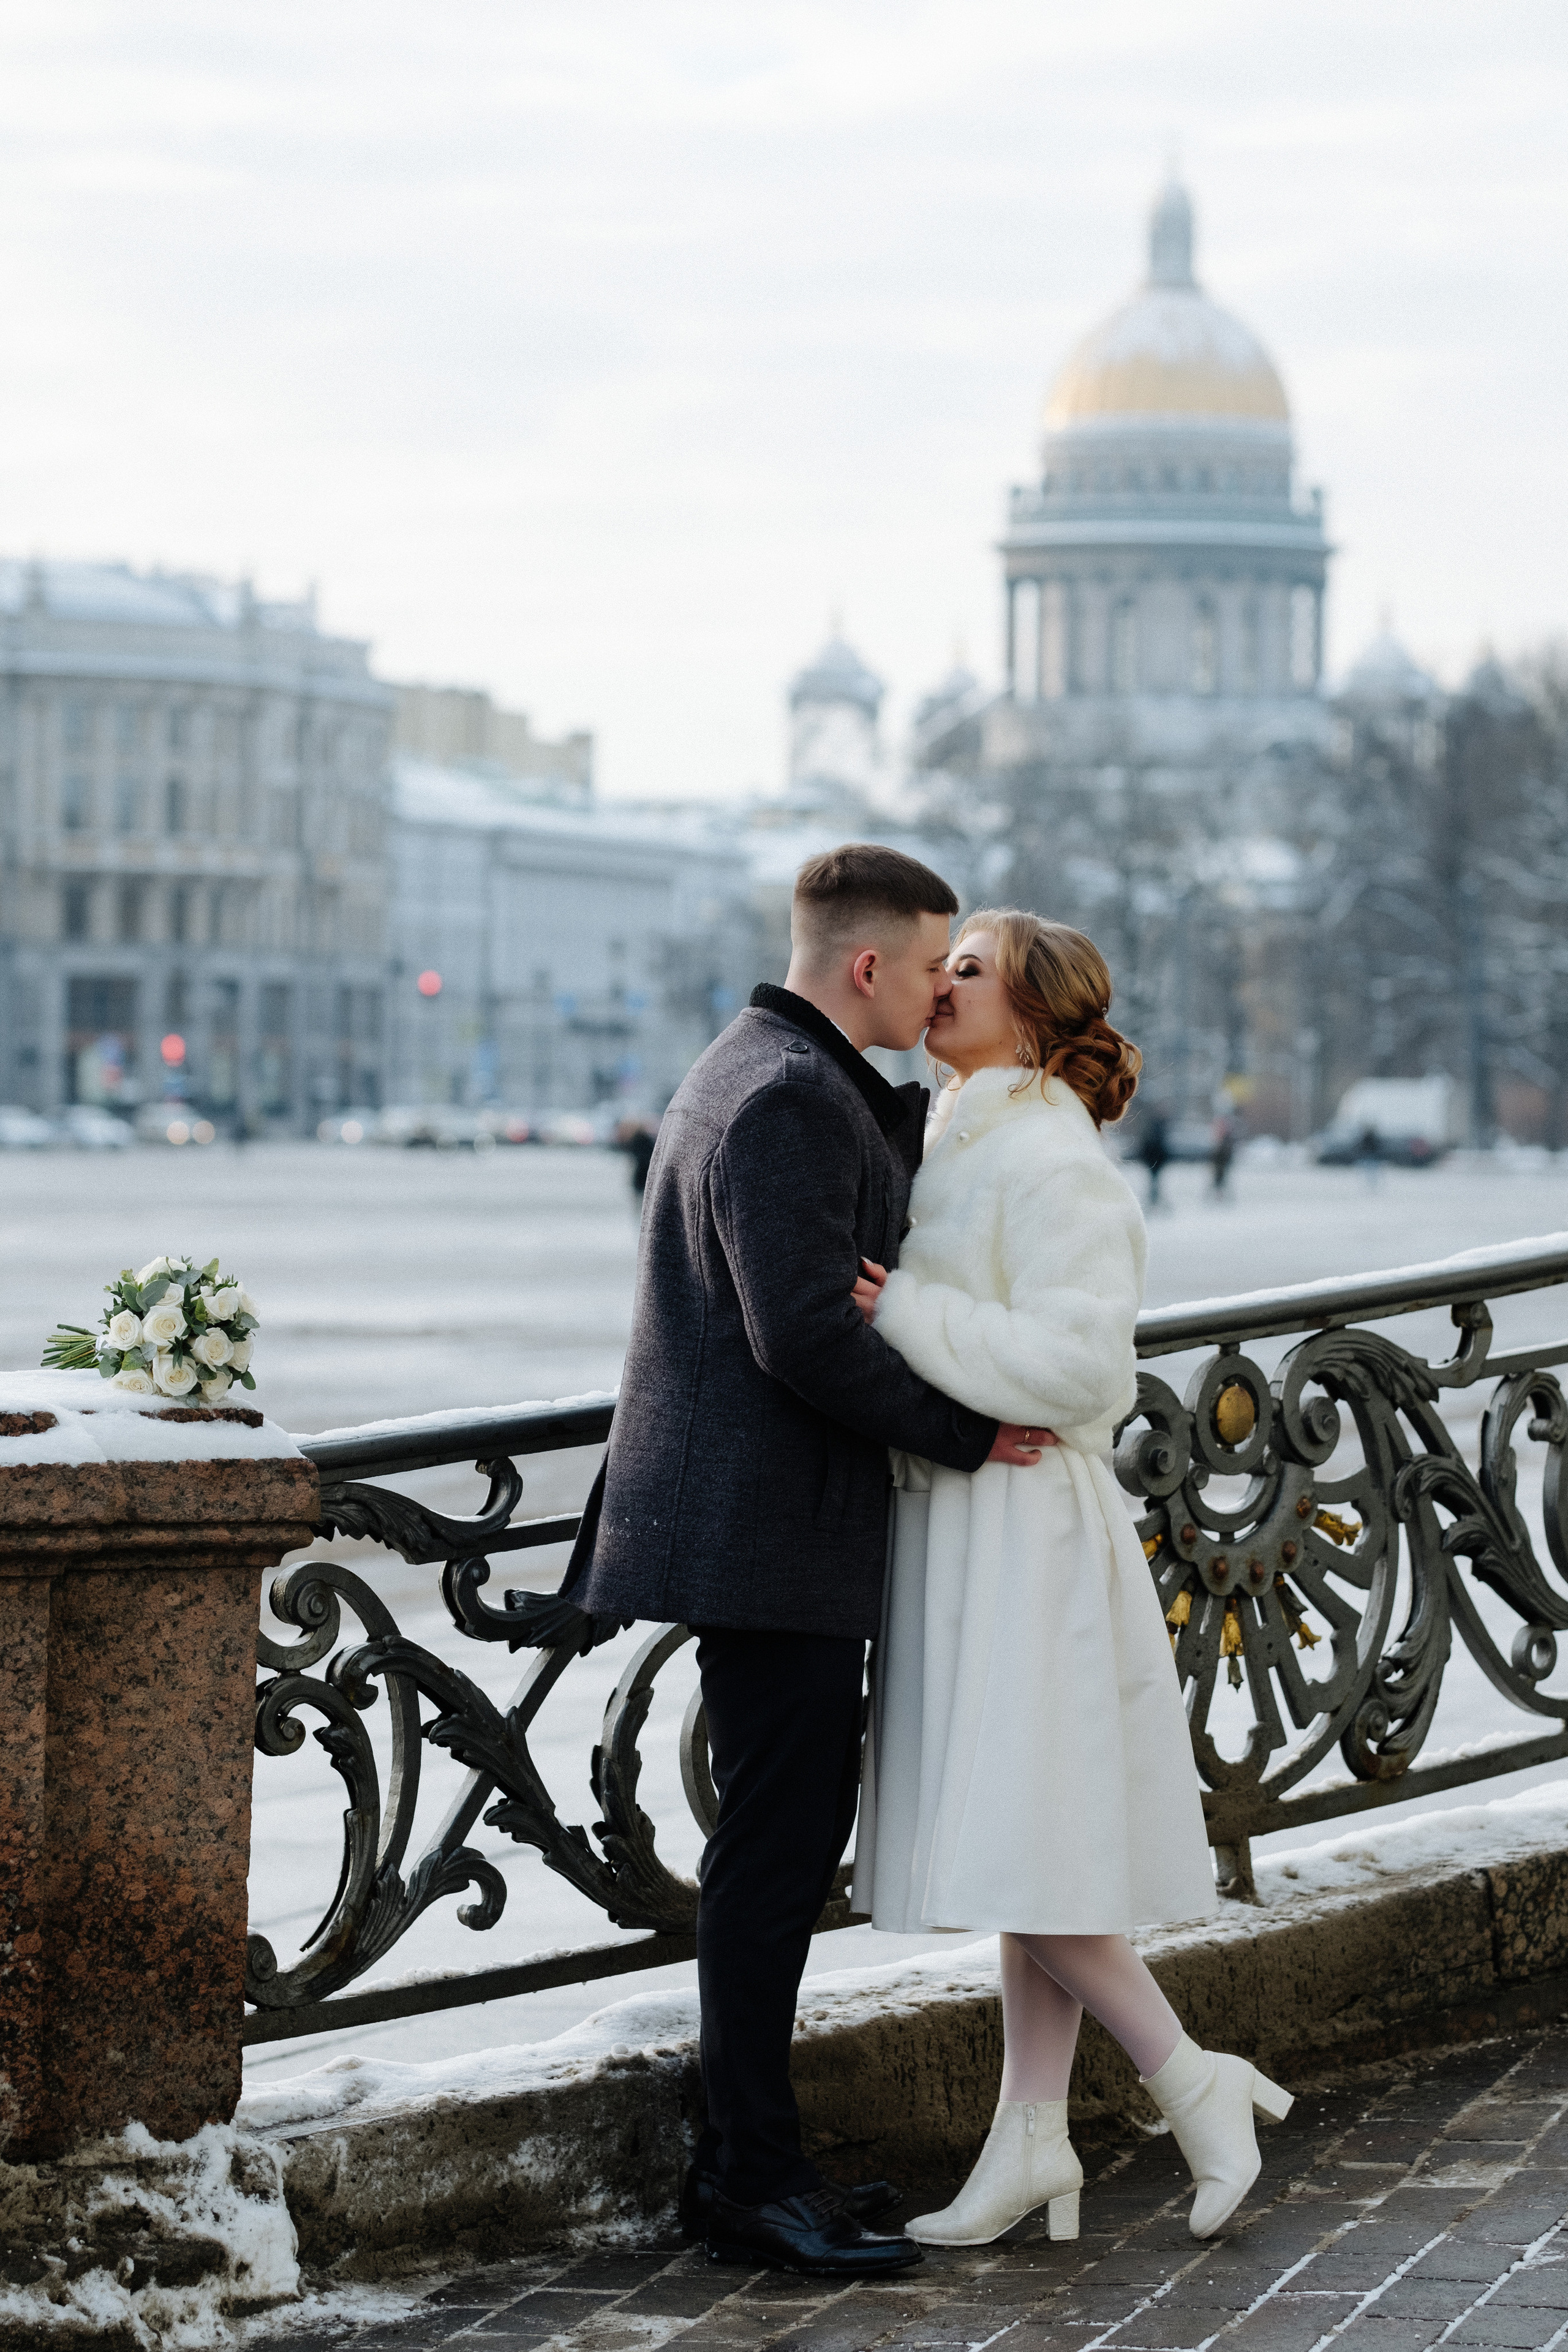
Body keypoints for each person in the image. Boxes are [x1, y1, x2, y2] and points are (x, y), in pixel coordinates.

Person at [564, 845, 1044, 2280]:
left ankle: (761, 2162)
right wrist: (968, 1427)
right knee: (771, 1861)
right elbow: (803, 1334)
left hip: (755, 1525)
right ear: (864, 966)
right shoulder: (784, 1093)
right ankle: (746, 2179)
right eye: (929, 963)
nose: (939, 985)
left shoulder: (763, 1063)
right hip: (766, 1534)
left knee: (771, 1852)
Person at [850, 911, 1292, 2247]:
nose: (941, 983)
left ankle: (1189, 2080)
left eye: (967, 970)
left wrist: (900, 1315)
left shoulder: (1048, 1155)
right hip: (969, 1522)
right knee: (1019, 1844)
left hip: (1027, 1530)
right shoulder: (963, 1130)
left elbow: (1081, 1371)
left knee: (1024, 1856)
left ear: (1033, 1018)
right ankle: (1029, 2143)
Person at [1138, 1108, 1170, 1208]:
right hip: (1154, 1159)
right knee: (1155, 1182)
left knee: (1154, 1181)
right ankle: (1154, 1200)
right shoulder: (1158, 1128)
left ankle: (1154, 1200)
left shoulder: (1155, 1128)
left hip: (1154, 1160)